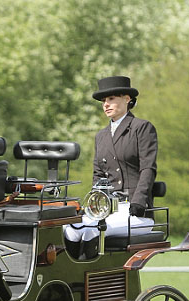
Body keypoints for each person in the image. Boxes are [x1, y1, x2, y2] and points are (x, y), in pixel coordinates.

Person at [64, 75, 157, 259]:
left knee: (91, 230)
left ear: (127, 99)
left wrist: (138, 202)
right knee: (71, 229)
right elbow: (98, 175)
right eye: (104, 101)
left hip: (136, 210)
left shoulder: (142, 128)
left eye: (111, 99)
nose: (106, 104)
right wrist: (92, 206)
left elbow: (148, 169)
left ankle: (90, 278)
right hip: (107, 209)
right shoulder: (101, 136)